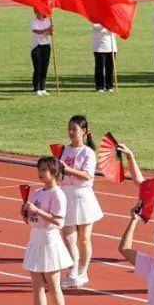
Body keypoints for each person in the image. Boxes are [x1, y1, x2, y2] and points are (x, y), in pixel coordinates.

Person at [20, 155, 73, 305]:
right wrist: (25, 214)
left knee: (53, 286)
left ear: (54, 173)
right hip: (36, 240)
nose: (40, 173)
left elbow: (59, 221)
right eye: (39, 169)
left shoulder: (58, 194)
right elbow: (32, 220)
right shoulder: (37, 192)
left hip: (50, 242)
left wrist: (37, 211)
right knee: (37, 287)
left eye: (44, 170)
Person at [58, 116, 104, 288]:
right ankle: (73, 268)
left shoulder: (88, 153)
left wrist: (68, 169)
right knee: (67, 235)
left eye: (74, 129)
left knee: (84, 238)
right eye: (69, 129)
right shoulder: (65, 149)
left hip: (83, 196)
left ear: (84, 132)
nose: (70, 132)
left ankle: (83, 271)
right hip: (67, 194)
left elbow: (88, 176)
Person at [30, 9, 53, 96]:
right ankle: (36, 88)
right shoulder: (33, 21)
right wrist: (47, 29)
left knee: (44, 68)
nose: (38, 13)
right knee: (37, 68)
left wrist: (51, 31)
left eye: (39, 11)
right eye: (36, 11)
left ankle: (43, 88)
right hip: (37, 47)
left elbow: (50, 33)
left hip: (46, 46)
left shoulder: (48, 21)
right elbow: (37, 32)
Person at [90, 23, 117, 92]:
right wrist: (106, 27)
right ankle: (99, 87)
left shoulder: (111, 20)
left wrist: (111, 27)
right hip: (99, 47)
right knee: (100, 67)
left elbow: (116, 30)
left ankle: (109, 86)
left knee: (110, 67)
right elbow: (95, 27)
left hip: (111, 47)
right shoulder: (95, 19)